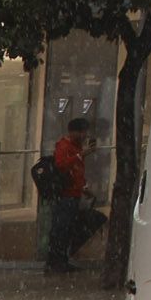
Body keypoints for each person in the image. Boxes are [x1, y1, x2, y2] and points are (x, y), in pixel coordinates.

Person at [39, 116, 95, 273]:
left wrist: (84, 188)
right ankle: (54, 261)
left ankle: (61, 260)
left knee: (67, 229)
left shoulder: (76, 148)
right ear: (74, 132)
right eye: (82, 132)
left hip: (74, 194)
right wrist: (80, 155)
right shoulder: (64, 146)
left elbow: (76, 173)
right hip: (65, 195)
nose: (84, 136)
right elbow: (61, 165)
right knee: (60, 229)